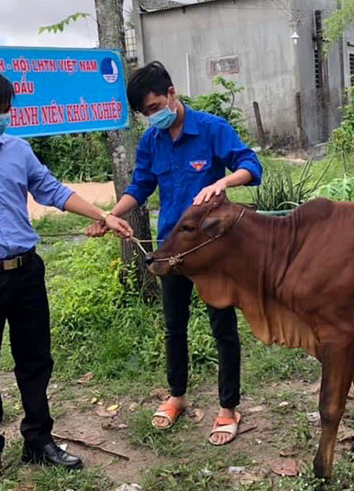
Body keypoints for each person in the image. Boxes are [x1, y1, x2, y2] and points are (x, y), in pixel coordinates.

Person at [0, 68, 132, 491]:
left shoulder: (18, 150)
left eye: (6, 112)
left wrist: (103, 215)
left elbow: (51, 190)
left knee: (35, 360)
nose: (0, 120)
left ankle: (39, 440)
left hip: (26, 271)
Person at [86, 61, 262, 446]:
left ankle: (229, 408)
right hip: (173, 251)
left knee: (223, 329)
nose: (153, 117)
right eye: (145, 114)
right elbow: (142, 184)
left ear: (172, 94)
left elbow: (251, 165)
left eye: (155, 108)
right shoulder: (152, 141)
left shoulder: (211, 129)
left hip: (214, 252)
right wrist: (109, 215)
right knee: (174, 327)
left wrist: (223, 181)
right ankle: (177, 396)